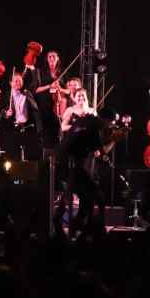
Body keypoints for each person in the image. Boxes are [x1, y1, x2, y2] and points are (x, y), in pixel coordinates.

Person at [57, 88, 104, 237]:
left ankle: (82, 222)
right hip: (73, 153)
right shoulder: (70, 110)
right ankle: (71, 221)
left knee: (88, 180)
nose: (81, 98)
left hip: (87, 152)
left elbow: (96, 131)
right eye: (78, 96)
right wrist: (79, 126)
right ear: (74, 98)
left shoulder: (91, 111)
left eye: (83, 95)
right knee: (78, 187)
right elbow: (63, 127)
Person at [2, 72, 43, 160]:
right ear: (10, 83)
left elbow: (35, 109)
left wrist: (33, 69)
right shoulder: (6, 95)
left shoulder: (27, 93)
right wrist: (6, 113)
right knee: (14, 157)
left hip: (28, 127)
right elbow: (1, 110)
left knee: (30, 155)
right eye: (16, 81)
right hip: (13, 129)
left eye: (20, 81)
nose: (18, 83)